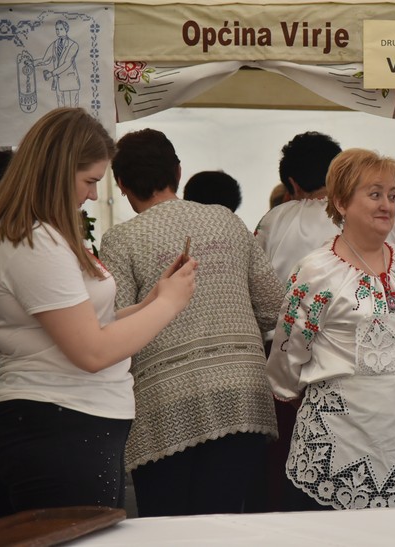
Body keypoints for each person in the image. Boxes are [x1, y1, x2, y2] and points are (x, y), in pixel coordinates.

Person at [0, 108, 196, 516]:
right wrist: (168, 304)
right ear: (57, 171)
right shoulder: (35, 241)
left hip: (69, 419)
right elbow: (92, 350)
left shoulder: (44, 235)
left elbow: (88, 324)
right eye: (89, 181)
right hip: (58, 421)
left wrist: (151, 302)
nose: (92, 195)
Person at [99, 128, 284, 517]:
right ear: (178, 172)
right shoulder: (226, 220)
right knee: (222, 522)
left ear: (121, 184)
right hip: (241, 392)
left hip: (164, 403)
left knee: (167, 528)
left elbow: (115, 328)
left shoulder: (121, 239)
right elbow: (273, 307)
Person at [266, 148, 395, 510]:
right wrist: (293, 392)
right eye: (375, 194)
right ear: (341, 202)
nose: (387, 205)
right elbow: (288, 351)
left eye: (392, 196)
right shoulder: (317, 271)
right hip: (343, 439)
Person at [255, 131, 395, 284]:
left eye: (393, 196)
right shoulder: (382, 218)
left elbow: (255, 276)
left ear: (293, 184)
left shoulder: (277, 220)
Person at [35, 20, 80, 107]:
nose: (58, 31)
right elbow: (45, 60)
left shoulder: (73, 45)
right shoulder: (54, 44)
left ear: (66, 29)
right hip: (58, 82)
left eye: (61, 29)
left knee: (74, 109)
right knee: (61, 109)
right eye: (57, 29)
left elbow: (67, 63)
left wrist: (51, 74)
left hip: (70, 81)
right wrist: (32, 63)